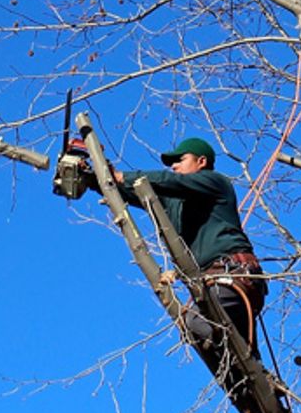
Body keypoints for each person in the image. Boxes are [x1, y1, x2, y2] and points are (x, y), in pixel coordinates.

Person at [108, 137, 266, 354]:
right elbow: (137, 192)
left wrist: (123, 176)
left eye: (180, 160)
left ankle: (246, 370)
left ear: (201, 161)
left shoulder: (214, 182)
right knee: (234, 366)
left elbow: (170, 182)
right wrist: (101, 178)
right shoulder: (175, 202)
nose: (174, 166)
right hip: (212, 284)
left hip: (233, 275)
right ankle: (253, 382)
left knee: (195, 323)